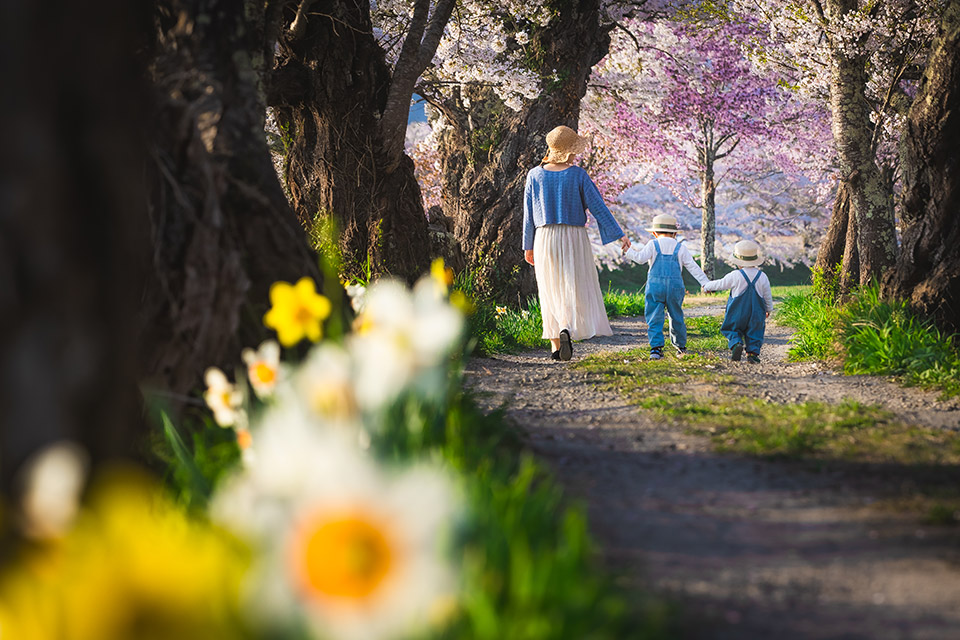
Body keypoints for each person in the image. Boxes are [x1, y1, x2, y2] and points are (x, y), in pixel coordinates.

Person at [522, 125, 631, 361]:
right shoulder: (578, 174)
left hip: (544, 237)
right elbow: (598, 207)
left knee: (549, 288)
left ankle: (555, 346)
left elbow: (528, 214)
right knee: (572, 285)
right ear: (569, 151)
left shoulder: (534, 175)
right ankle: (566, 328)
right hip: (573, 236)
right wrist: (619, 234)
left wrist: (527, 245)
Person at [622, 214, 709, 360]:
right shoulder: (680, 247)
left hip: (655, 287)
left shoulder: (652, 244)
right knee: (676, 316)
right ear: (674, 233)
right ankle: (680, 347)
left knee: (654, 317)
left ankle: (656, 349)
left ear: (654, 233)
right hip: (675, 287)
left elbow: (640, 259)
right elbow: (693, 267)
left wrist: (628, 251)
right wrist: (705, 283)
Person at [702, 239, 773, 363]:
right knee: (755, 332)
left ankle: (736, 344)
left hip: (737, 312)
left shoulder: (735, 275)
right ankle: (752, 354)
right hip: (756, 313)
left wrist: (707, 286)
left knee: (732, 329)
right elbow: (767, 295)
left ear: (738, 262)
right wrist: (768, 309)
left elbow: (720, 284)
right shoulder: (762, 276)